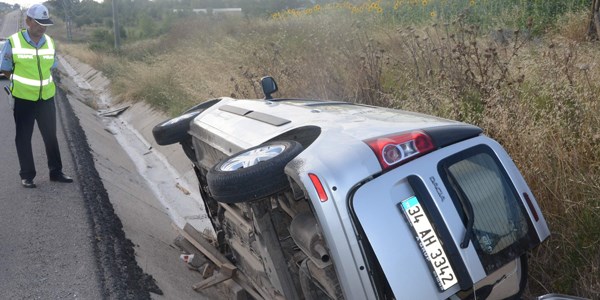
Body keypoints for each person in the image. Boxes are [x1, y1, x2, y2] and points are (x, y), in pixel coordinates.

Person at [0, 4, 73, 188]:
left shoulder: (49, 42)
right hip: (24, 99)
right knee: (23, 137)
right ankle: (27, 175)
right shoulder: (13, 42)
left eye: (45, 24)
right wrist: (19, 83)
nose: (42, 27)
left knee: (50, 136)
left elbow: (52, 66)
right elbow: (5, 69)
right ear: (28, 21)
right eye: (38, 23)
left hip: (46, 98)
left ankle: (56, 172)